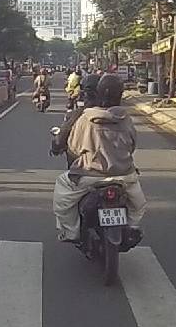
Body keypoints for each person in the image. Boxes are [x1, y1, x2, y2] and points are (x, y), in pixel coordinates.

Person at [52, 74, 146, 243]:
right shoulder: (126, 118)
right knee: (138, 204)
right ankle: (131, 229)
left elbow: (73, 147)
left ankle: (71, 233)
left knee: (62, 196)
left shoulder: (84, 118)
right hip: (124, 175)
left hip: (89, 175)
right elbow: (132, 145)